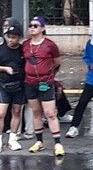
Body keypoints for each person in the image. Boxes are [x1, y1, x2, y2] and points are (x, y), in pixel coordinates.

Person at [23, 16, 65, 156]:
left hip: (45, 82)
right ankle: (39, 141)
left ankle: (57, 143)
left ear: (42, 28)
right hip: (30, 83)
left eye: (35, 25)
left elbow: (57, 62)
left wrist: (48, 74)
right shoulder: (26, 44)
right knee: (36, 113)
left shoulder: (50, 45)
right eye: (31, 25)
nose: (32, 28)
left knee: (50, 113)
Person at [0, 24, 25, 153]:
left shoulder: (23, 50)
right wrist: (4, 69)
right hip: (2, 85)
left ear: (19, 38)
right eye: (8, 37)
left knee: (17, 112)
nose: (10, 40)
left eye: (13, 37)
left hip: (19, 85)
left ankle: (12, 139)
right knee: (0, 113)